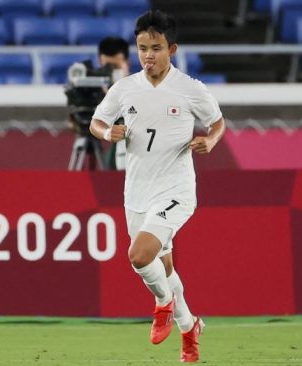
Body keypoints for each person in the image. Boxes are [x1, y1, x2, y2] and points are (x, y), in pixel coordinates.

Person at [89, 10, 225, 363]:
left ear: (172, 49)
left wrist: (210, 141)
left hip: (175, 190)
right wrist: (107, 133)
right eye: (143, 48)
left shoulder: (190, 89)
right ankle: (189, 328)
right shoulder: (124, 89)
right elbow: (96, 122)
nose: (148, 55)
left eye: (156, 47)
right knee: (163, 268)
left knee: (139, 254)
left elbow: (218, 123)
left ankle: (163, 304)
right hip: (136, 191)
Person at [96, 37, 130, 170]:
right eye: (107, 67)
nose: (111, 73)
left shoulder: (142, 88)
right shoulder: (93, 92)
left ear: (127, 63)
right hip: (109, 153)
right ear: (99, 62)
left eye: (116, 67)